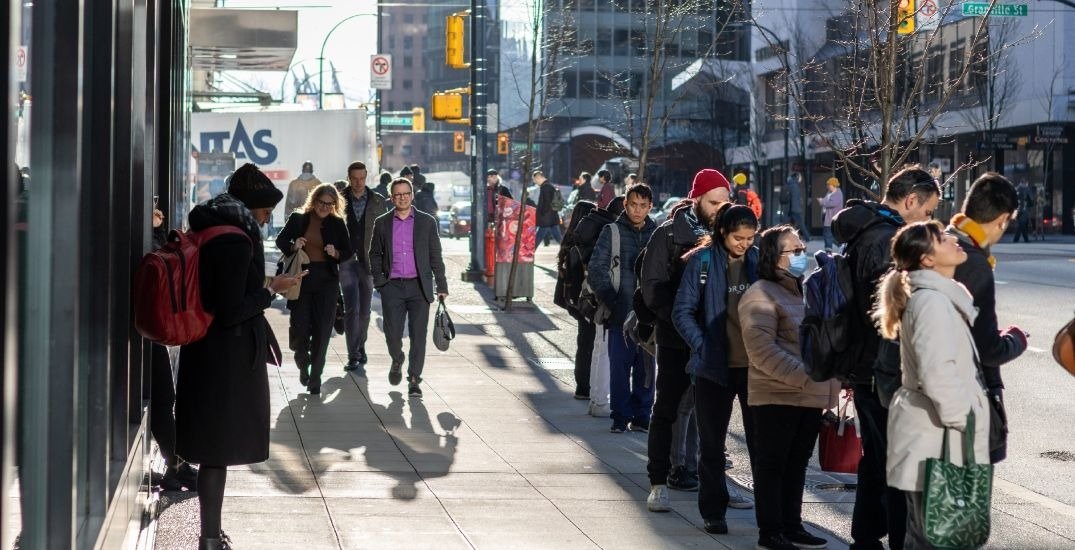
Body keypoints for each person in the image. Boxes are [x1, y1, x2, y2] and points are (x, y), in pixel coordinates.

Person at [176, 163, 302, 550]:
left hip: (205, 352)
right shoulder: (235, 239)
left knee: (215, 449)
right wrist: (272, 291)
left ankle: (211, 534)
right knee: (217, 451)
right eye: (265, 212)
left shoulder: (212, 225)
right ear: (252, 206)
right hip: (225, 358)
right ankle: (209, 538)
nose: (266, 220)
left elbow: (220, 290)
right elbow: (231, 308)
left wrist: (262, 285)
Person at [831, 166, 940, 550]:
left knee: (877, 456)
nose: (928, 220)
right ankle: (895, 539)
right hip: (883, 370)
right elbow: (888, 313)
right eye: (927, 211)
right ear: (910, 201)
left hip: (866, 366)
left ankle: (865, 536)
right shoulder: (886, 240)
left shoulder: (866, 230)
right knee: (896, 461)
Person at [871, 221, 989, 549]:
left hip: (933, 435)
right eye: (943, 238)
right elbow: (936, 374)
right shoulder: (932, 303)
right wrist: (965, 419)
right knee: (935, 537)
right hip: (937, 437)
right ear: (926, 259)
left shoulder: (935, 298)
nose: (954, 239)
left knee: (928, 534)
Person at [740, 225, 840, 550]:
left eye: (802, 249)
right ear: (774, 257)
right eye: (794, 251)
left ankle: (792, 525)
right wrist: (807, 375)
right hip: (776, 395)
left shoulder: (801, 291)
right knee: (772, 465)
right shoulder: (760, 293)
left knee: (797, 464)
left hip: (807, 396)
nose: (802, 255)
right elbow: (762, 350)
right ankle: (770, 532)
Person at [641, 169, 730, 512]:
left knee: (714, 416)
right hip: (677, 340)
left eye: (725, 201)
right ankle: (658, 481)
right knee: (666, 409)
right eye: (713, 201)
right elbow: (653, 288)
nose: (720, 207)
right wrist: (684, 324)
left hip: (718, 342)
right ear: (697, 199)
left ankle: (714, 482)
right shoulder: (668, 234)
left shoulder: (726, 233)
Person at [673, 204, 763, 534]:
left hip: (755, 368)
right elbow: (681, 312)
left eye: (750, 237)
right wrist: (704, 345)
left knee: (761, 445)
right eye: (739, 238)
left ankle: (769, 514)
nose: (745, 244)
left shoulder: (757, 259)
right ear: (723, 232)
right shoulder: (702, 261)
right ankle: (714, 510)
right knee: (711, 445)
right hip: (713, 367)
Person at [947, 173, 1028, 463]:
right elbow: (987, 349)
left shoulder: (941, 244)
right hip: (966, 404)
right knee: (965, 502)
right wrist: (1016, 339)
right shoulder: (973, 262)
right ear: (1002, 219)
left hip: (931, 403)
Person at [369, 178, 449, 397]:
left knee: (418, 335)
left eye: (406, 193)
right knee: (392, 333)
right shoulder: (383, 222)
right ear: (391, 197)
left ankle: (414, 378)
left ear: (412, 195)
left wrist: (441, 285)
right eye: (397, 194)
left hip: (419, 287)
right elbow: (374, 254)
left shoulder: (427, 222)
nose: (402, 198)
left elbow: (435, 255)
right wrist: (380, 280)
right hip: (392, 286)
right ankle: (397, 358)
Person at [588, 183, 657, 432]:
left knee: (646, 370)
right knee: (619, 368)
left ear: (650, 207)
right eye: (633, 205)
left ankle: (642, 415)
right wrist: (612, 299)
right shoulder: (612, 231)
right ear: (625, 204)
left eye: (643, 206)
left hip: (648, 316)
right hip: (620, 311)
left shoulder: (658, 234)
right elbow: (596, 269)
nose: (637, 210)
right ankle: (620, 416)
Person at [276, 183, 353, 395]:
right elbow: (280, 240)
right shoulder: (299, 218)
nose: (325, 207)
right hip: (301, 278)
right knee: (300, 328)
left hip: (327, 281)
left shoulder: (337, 223)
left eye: (330, 204)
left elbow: (348, 251)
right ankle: (303, 362)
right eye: (322, 203)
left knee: (322, 329)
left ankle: (316, 377)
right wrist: (293, 245)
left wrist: (335, 252)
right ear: (314, 200)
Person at [149, 203, 199, 492]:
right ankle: (177, 466)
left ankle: (176, 465)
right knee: (163, 397)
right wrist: (155, 230)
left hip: (143, 327)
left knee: (164, 398)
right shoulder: (141, 233)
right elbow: (154, 261)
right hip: (139, 328)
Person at [340, 161, 389, 372]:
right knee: (351, 309)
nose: (359, 182)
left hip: (368, 262)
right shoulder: (339, 199)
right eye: (355, 178)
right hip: (346, 261)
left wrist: (385, 263)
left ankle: (360, 345)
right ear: (349, 178)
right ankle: (353, 354)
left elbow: (385, 235)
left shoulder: (378, 201)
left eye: (362, 178)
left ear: (366, 176)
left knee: (365, 312)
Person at [534, 170, 563, 246]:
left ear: (538, 177)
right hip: (551, 218)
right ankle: (567, 252)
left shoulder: (546, 187)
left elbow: (547, 203)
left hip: (546, 219)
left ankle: (529, 255)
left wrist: (542, 213)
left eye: (535, 180)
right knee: (558, 238)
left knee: (537, 238)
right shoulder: (548, 186)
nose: (535, 182)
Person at [818, 177, 844, 252]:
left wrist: (822, 202)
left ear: (834, 185)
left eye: (829, 185)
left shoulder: (838, 193)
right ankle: (835, 247)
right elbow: (826, 201)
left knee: (828, 235)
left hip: (832, 218)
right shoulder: (829, 193)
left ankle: (829, 250)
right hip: (826, 218)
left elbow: (832, 203)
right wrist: (822, 201)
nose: (828, 186)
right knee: (828, 235)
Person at [784, 172, 811, 240]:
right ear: (797, 177)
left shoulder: (790, 184)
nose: (800, 179)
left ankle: (788, 237)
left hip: (790, 209)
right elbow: (795, 199)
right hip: (795, 209)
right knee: (801, 224)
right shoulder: (794, 185)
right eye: (800, 177)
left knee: (788, 225)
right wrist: (798, 208)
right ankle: (807, 237)